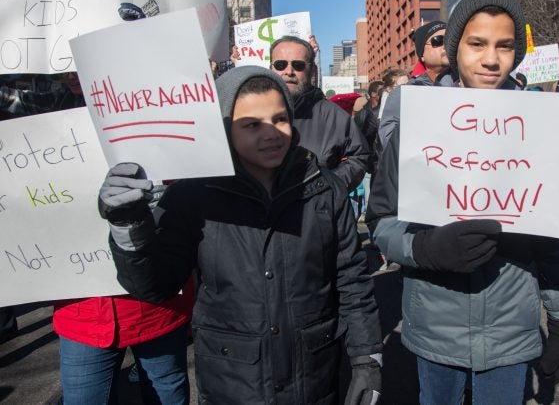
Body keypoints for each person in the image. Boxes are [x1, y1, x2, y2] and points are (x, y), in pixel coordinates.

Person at [99, 66, 383, 404]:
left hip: (314, 379)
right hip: (232, 383)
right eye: (251, 125)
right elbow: (154, 285)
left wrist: (367, 358)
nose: (271, 134)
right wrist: (128, 225)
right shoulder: (193, 196)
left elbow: (351, 279)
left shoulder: (325, 189)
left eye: (279, 119)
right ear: (224, 129)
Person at [366, 0, 559, 404]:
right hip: (434, 324)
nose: (490, 58)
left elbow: (555, 242)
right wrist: (423, 248)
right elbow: (381, 221)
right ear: (454, 47)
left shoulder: (542, 127)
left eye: (504, 45)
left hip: (510, 329)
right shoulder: (419, 122)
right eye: (477, 43)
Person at [1, 72, 192, 405]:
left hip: (157, 308)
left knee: (166, 393)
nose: (75, 71)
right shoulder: (44, 113)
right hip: (83, 313)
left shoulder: (162, 117)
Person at [269, 35, 370, 191]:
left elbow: (359, 157)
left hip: (318, 214)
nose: (289, 71)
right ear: (271, 69)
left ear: (312, 70)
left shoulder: (333, 115)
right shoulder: (251, 113)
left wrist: (327, 188)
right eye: (280, 64)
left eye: (298, 65)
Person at [379, 20, 450, 150]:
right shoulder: (405, 93)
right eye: (438, 40)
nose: (446, 45)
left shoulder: (469, 84)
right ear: (422, 54)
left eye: (450, 39)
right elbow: (388, 140)